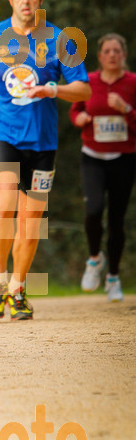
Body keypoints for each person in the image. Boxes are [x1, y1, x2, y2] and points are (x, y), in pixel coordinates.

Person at [0, 0, 90, 320]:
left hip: (43, 140)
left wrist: (54, 90)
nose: (26, 1)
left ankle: (18, 289)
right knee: (3, 206)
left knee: (31, 220)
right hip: (1, 132)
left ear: (41, 0)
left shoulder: (61, 40)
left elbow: (85, 88)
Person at [70, 33, 136, 302]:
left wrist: (127, 109)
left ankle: (113, 278)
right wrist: (80, 118)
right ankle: (94, 259)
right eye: (107, 51)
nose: (111, 55)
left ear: (123, 55)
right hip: (93, 155)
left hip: (124, 157)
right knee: (93, 209)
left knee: (117, 220)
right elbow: (75, 110)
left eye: (116, 51)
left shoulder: (132, 83)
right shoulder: (89, 81)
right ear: (99, 57)